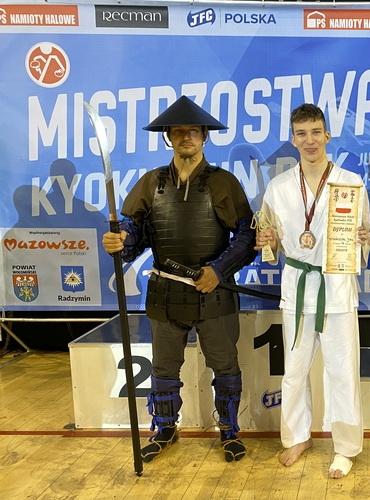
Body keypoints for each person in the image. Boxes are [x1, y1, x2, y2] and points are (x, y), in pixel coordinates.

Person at [101, 96, 257, 463]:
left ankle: (229, 431)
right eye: (178, 131)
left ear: (204, 136)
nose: (186, 137)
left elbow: (247, 237)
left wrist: (218, 270)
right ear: (168, 137)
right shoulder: (151, 183)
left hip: (213, 292)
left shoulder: (223, 183)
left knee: (225, 366)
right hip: (165, 293)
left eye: (193, 131)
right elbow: (136, 232)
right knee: (164, 368)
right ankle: (165, 428)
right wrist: (121, 242)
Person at [254, 103, 370, 479]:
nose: (309, 140)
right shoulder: (278, 187)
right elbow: (268, 240)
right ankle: (296, 436)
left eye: (315, 132)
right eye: (301, 134)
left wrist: (365, 237)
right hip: (297, 286)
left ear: (327, 136)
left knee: (342, 371)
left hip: (336, 287)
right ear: (293, 139)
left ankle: (346, 447)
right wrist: (267, 242)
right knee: (294, 370)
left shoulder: (351, 183)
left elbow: (368, 231)